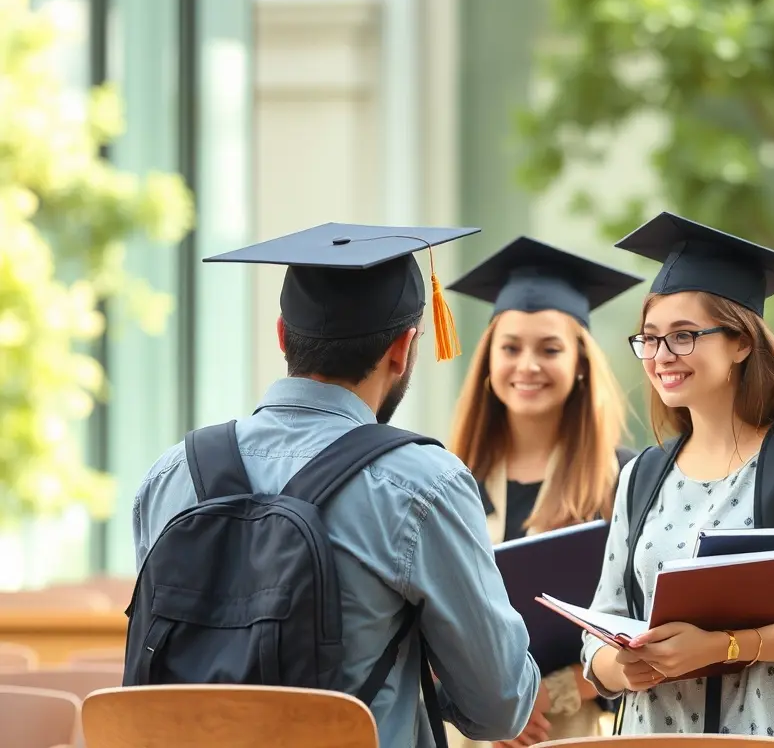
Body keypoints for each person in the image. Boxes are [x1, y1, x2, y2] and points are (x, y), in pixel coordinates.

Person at [131, 222, 541, 747]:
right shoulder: (424, 484)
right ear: (402, 347)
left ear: (282, 335)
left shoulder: (171, 474)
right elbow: (498, 707)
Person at [580, 212, 774, 745]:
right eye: (649, 338)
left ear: (741, 342)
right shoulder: (641, 475)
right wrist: (617, 667)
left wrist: (724, 647)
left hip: (771, 732)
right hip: (655, 734)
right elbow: (602, 624)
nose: (662, 356)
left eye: (684, 336)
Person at [444, 237, 643, 747]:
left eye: (550, 348)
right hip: (464, 731)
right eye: (510, 348)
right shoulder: (447, 476)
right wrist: (490, 704)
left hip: (574, 731)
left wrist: (551, 693)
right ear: (489, 361)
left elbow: (641, 629)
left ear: (580, 362)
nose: (527, 365)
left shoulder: (625, 480)